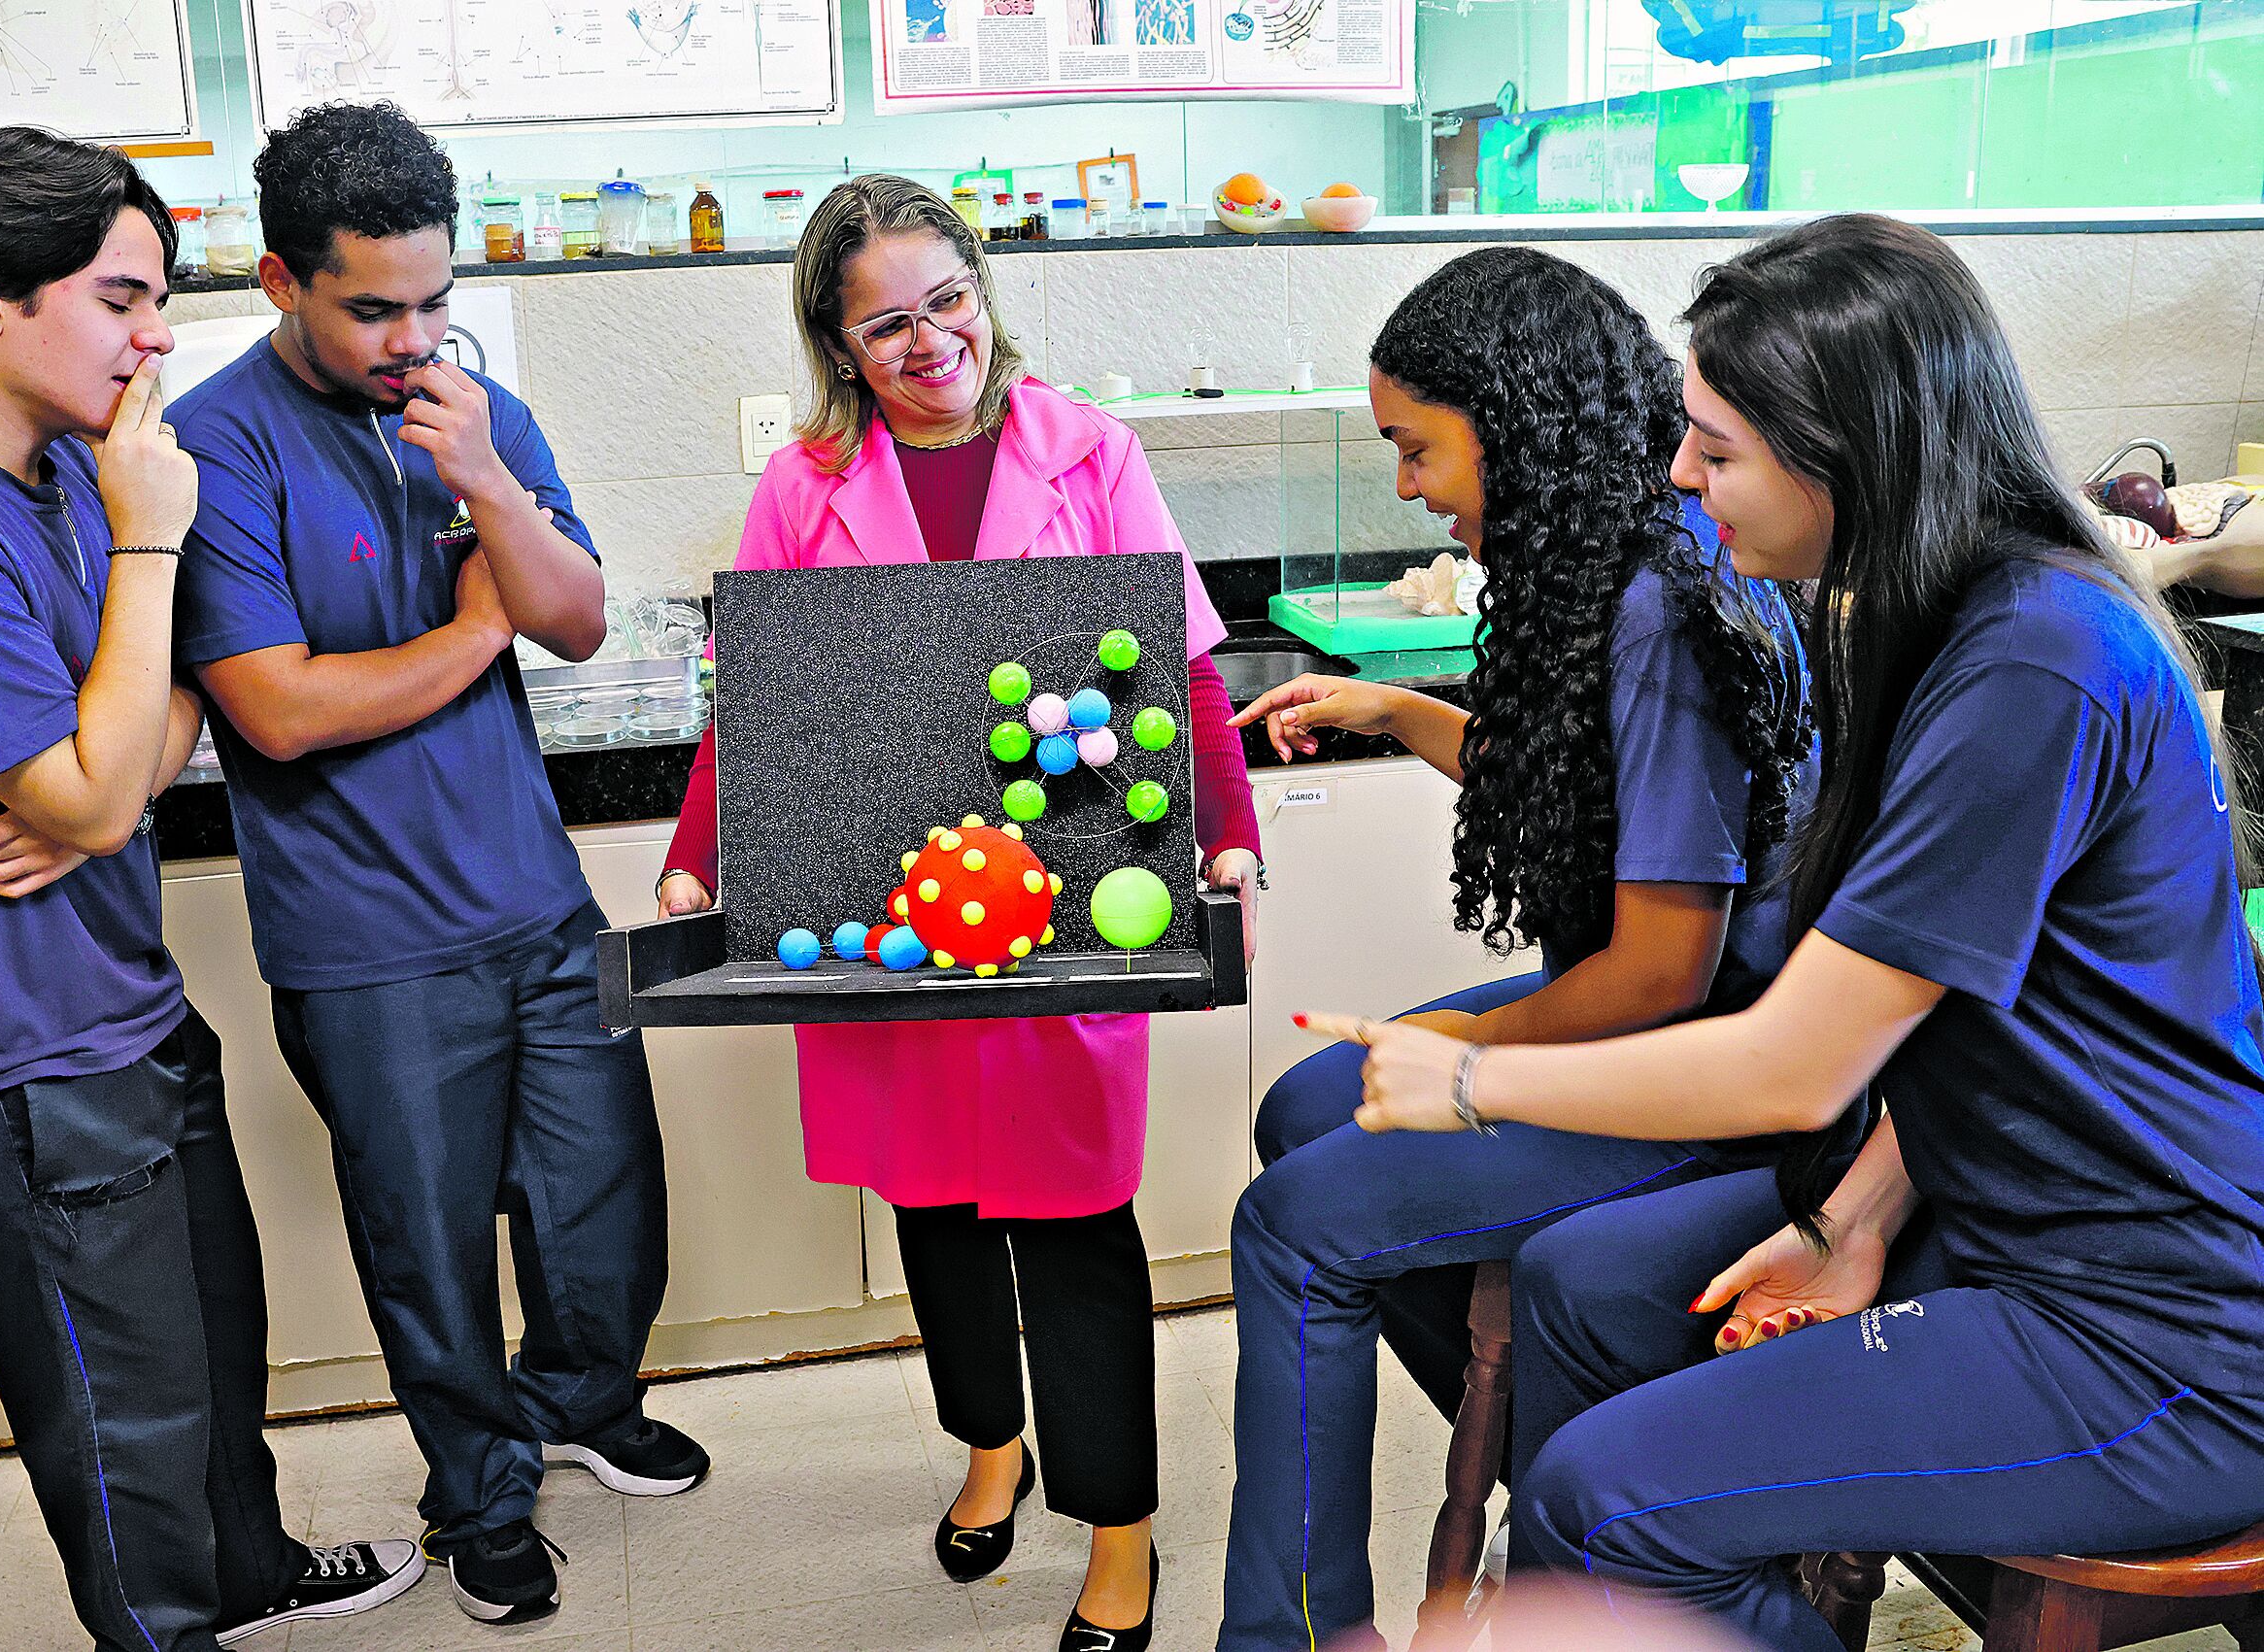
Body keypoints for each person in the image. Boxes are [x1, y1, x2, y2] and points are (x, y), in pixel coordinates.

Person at [1305, 214, 2264, 1652]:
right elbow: (1945, 1008)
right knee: (1582, 1298)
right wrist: (1849, 1220)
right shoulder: (1932, 614)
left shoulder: (2035, 659)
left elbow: (1800, 1064)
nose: (1682, 474)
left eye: (1718, 446)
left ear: (1850, 451)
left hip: (2151, 1327)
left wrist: (1468, 1073)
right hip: (1988, 1220)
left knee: (1601, 1497)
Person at [0, 127, 419, 1652]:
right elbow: (93, 770)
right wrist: (104, 728)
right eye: (124, 296)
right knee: (120, 1420)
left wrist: (96, 780)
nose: (157, 337)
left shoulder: (68, 463)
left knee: (210, 1340)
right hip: (19, 1064)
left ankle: (250, 1566)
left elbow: (154, 726)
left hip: (121, 1007)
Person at [657, 172, 1261, 1652]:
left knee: (1070, 1223)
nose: (929, 343)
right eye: (884, 326)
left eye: (947, 302)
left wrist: (1227, 832)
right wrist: (695, 858)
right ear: (838, 345)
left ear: (983, 291)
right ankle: (992, 1442)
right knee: (933, 1205)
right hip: (880, 910)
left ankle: (1119, 1534)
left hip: (1064, 905)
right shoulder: (804, 485)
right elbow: (764, 703)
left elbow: (1182, 662)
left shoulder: (1090, 450)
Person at [1212, 246, 1816, 1652]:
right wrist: (1390, 708)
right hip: (1659, 1019)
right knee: (1303, 1110)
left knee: (1295, 1227)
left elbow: (1663, 969)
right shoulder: (1602, 574)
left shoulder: (1667, 607)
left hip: (1718, 1065)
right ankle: (1531, 1408)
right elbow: (1568, 779)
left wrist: (1459, 1054)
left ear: (1521, 421)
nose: (1412, 486)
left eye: (1420, 451)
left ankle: (1297, 1630)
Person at [168, 101, 707, 1629]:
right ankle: (476, 1492)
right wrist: (477, 626)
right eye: (373, 307)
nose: (414, 336)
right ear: (280, 280)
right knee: (430, 1246)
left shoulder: (478, 415)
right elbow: (276, 708)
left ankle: (579, 1401)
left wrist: (484, 482)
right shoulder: (215, 445)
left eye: (435, 300)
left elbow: (583, 614)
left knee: (605, 1201)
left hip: (532, 899)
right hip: (365, 940)